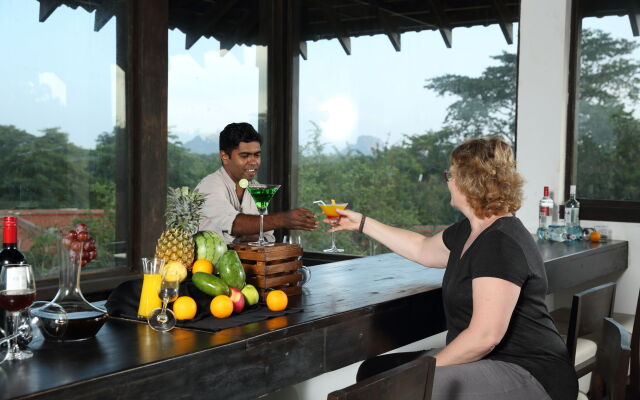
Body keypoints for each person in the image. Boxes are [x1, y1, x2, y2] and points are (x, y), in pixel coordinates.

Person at [330, 137, 578, 400]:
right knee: (375, 371)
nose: (448, 181)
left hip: (530, 370)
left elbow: (484, 337)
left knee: (410, 387)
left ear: (470, 181)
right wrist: (361, 223)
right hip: (488, 361)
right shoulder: (469, 231)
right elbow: (421, 248)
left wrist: (419, 371)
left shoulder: (500, 242)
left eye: (451, 174)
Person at [196, 122, 317, 244]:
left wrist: (253, 236)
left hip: (251, 262)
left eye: (257, 155)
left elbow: (267, 237)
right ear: (225, 156)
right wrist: (284, 219)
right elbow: (234, 224)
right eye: (244, 156)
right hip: (210, 263)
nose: (253, 162)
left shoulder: (256, 187)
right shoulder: (209, 186)